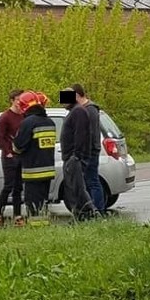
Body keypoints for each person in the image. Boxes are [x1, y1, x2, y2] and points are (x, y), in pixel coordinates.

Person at [12, 91, 56, 225]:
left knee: (33, 205)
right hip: (48, 171)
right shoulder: (50, 122)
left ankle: (37, 230)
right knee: (43, 204)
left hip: (33, 172)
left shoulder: (28, 123)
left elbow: (18, 146)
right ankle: (44, 227)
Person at [59, 87, 97, 221]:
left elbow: (81, 135)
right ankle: (80, 215)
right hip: (70, 157)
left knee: (78, 188)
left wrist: (76, 156)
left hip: (75, 158)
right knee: (72, 189)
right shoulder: (74, 112)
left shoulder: (79, 112)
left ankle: (90, 213)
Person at [72, 83, 105, 214]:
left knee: (92, 181)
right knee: (88, 181)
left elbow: (88, 133)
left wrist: (84, 150)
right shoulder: (86, 109)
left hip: (90, 151)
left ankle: (98, 209)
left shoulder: (90, 110)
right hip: (89, 150)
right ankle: (92, 208)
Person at [0, 89, 25, 228]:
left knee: (18, 187)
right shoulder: (5, 117)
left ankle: (17, 216)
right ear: (12, 100)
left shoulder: (24, 116)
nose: (20, 102)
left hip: (21, 156)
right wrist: (8, 153)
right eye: (18, 99)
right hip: (9, 157)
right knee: (8, 186)